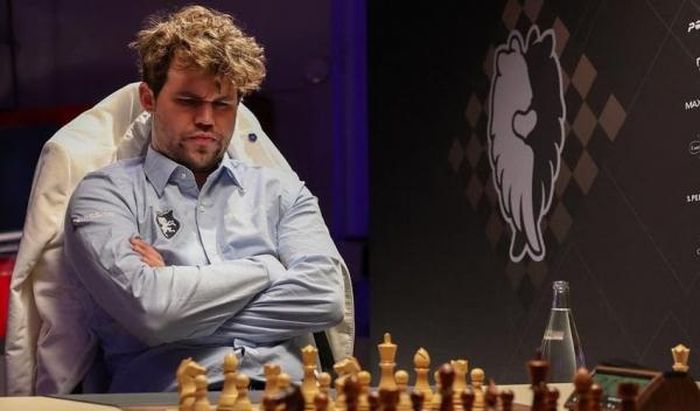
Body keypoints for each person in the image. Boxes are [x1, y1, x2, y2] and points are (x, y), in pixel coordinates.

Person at [63, 5, 348, 392]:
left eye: (222, 104)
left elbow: (325, 298)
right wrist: (268, 268)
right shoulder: (105, 195)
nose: (206, 119)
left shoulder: (282, 191)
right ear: (148, 98)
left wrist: (180, 308)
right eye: (188, 101)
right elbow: (154, 313)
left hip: (285, 396)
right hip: (169, 400)